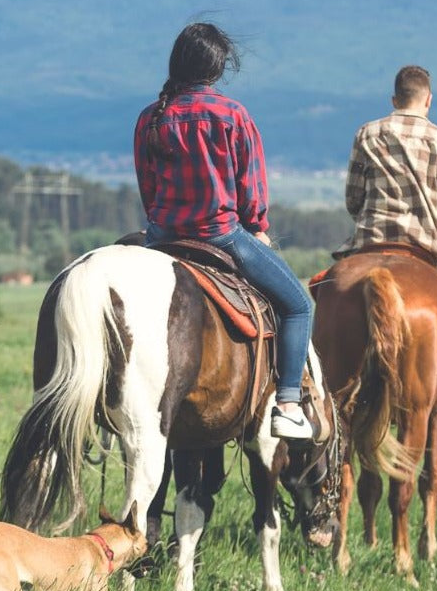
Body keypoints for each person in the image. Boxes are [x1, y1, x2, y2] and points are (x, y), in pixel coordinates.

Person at [133, 22, 314, 441]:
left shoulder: (150, 118)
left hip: (161, 238)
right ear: (216, 67)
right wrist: (258, 227)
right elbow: (251, 187)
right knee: (299, 306)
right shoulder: (232, 115)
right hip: (219, 235)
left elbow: (148, 188)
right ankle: (289, 404)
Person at [339, 64, 437, 424]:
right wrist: (434, 224)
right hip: (424, 247)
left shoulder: (366, 133)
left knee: (328, 295)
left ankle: (313, 385)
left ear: (394, 99)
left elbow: (353, 198)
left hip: (370, 243)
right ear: (428, 101)